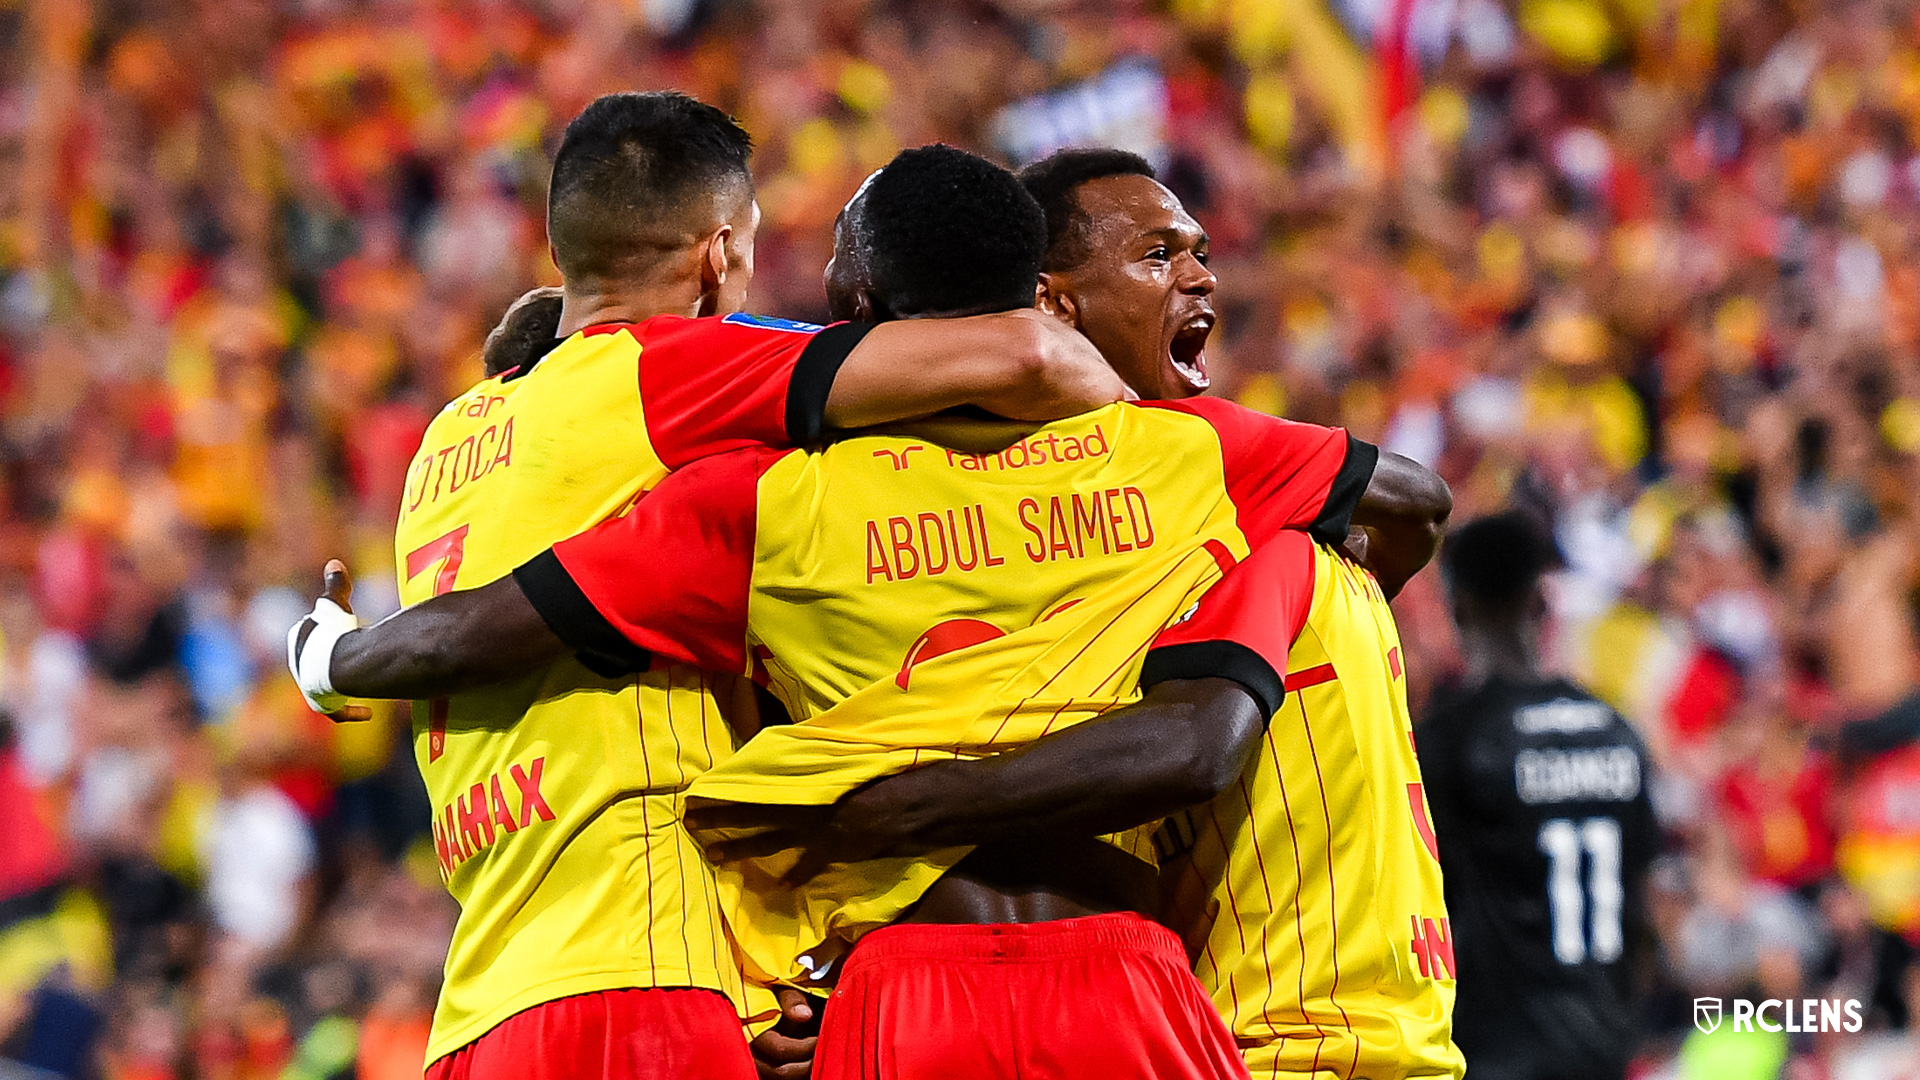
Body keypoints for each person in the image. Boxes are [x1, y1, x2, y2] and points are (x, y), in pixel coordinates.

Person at [290, 144, 1440, 1079]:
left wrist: (339, 659)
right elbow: (1407, 502)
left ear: (857, 310)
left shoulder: (762, 502)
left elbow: (508, 619)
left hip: (902, 992)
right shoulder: (1196, 463)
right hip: (1132, 984)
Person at [374, 92, 1131, 1080]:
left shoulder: (446, 439)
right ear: (715, 251)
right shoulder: (664, 369)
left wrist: (339, 662)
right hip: (635, 980)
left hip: (482, 997)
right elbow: (1031, 356)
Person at [1415, 513, 1659, 1080]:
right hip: (1606, 1037)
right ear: (1540, 604)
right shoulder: (1615, 728)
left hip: (1496, 1042)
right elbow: (1642, 901)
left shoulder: (1454, 738)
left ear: (1459, 608)